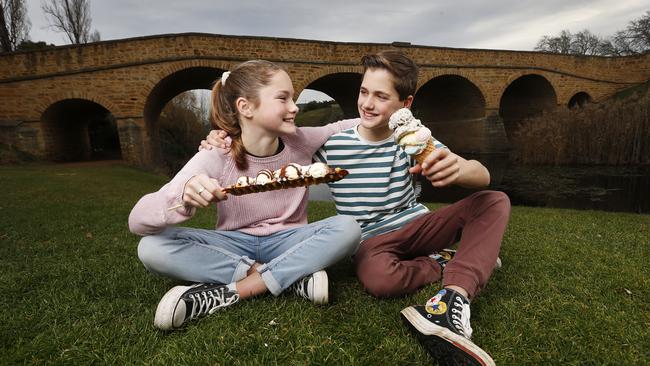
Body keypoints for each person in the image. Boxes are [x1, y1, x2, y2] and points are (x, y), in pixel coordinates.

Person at [202, 51, 510, 365]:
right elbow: (268, 147)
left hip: (418, 226)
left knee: (494, 201)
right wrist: (224, 137)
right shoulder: (331, 146)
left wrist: (459, 170)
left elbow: (481, 174)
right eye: (364, 92)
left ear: (405, 104)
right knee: (380, 280)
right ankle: (445, 262)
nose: (368, 103)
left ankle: (452, 299)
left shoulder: (414, 139)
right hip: (369, 243)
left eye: (380, 96)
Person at [128, 60, 361, 331]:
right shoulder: (217, 154)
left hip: (290, 239)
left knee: (347, 227)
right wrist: (184, 194)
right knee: (151, 247)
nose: (294, 107)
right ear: (245, 107)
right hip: (233, 243)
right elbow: (137, 221)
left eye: (293, 98)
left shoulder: (300, 139)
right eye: (282, 98)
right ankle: (294, 277)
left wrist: (399, 119)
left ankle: (233, 290)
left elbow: (349, 125)